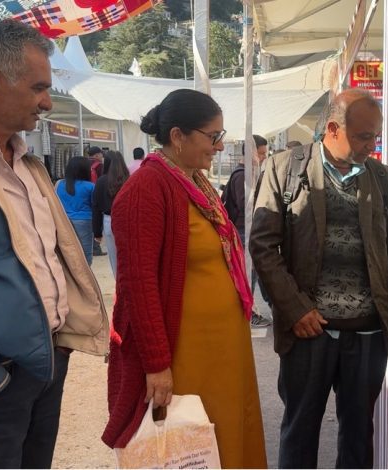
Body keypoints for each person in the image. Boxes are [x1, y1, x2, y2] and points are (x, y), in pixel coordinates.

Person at [250, 88, 388, 468]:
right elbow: (264, 248)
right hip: (308, 332)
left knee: (359, 434)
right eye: (363, 136)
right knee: (300, 430)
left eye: (375, 136)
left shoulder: (381, 178)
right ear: (332, 128)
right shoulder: (283, 168)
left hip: (367, 334)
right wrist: (296, 309)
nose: (371, 145)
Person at [0, 20, 109, 468]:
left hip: (43, 365)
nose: (47, 100)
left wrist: (58, 343)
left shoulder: (26, 162)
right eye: (39, 87)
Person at [102, 89, 267, 468]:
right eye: (213, 137)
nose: (220, 146)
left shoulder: (191, 181)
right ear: (178, 136)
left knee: (228, 435)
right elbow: (138, 286)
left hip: (222, 349)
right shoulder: (147, 189)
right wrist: (157, 364)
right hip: (187, 354)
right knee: (197, 445)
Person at [222, 134, 272, 327]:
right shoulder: (242, 175)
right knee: (248, 274)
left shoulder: (245, 173)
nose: (263, 158)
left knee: (259, 273)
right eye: (261, 153)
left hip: (248, 230)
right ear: (251, 153)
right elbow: (247, 206)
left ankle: (260, 309)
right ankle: (247, 312)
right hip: (244, 231)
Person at [93, 150, 130, 276]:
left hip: (109, 220)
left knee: (114, 258)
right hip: (129, 220)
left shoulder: (101, 181)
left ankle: (118, 285)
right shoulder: (129, 179)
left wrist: (97, 232)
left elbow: (96, 207)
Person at [56, 156, 96, 265]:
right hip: (84, 221)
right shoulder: (90, 186)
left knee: (66, 251)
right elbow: (94, 206)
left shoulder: (59, 184)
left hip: (63, 221)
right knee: (85, 253)